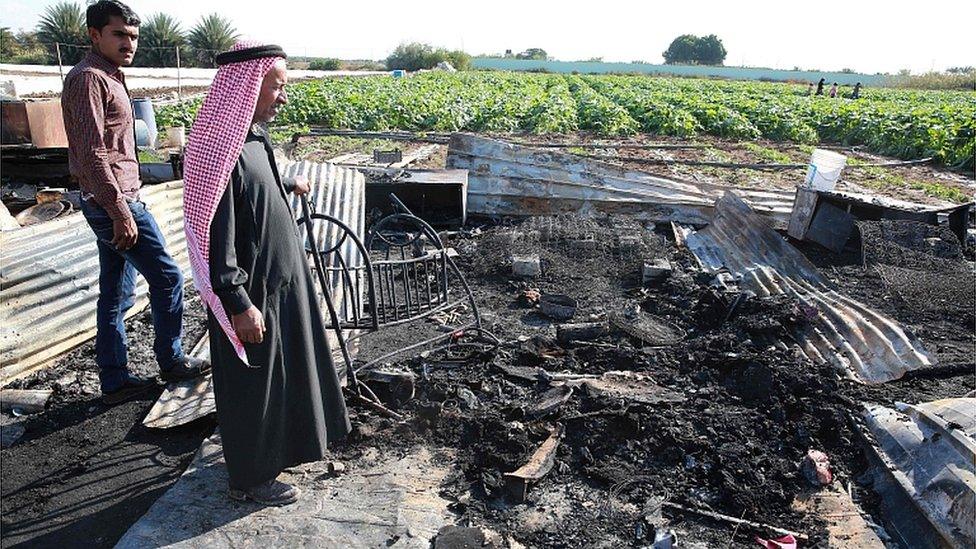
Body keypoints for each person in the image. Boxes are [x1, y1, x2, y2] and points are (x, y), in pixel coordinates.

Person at [183, 41, 350, 506]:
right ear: (249, 85)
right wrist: (237, 302)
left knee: (282, 376)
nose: (283, 96)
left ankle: (278, 454)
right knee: (254, 384)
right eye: (277, 86)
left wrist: (286, 184)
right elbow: (218, 233)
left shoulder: (251, 135)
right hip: (251, 289)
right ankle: (251, 480)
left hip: (279, 284)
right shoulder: (219, 148)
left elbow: (255, 191)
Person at [61, 0, 209, 406]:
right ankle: (173, 361)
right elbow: (92, 153)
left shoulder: (109, 75)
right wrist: (120, 211)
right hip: (114, 202)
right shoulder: (89, 79)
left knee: (116, 293)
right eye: (120, 35)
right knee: (168, 278)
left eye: (134, 36)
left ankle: (114, 378)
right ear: (95, 35)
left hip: (115, 198)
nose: (130, 43)